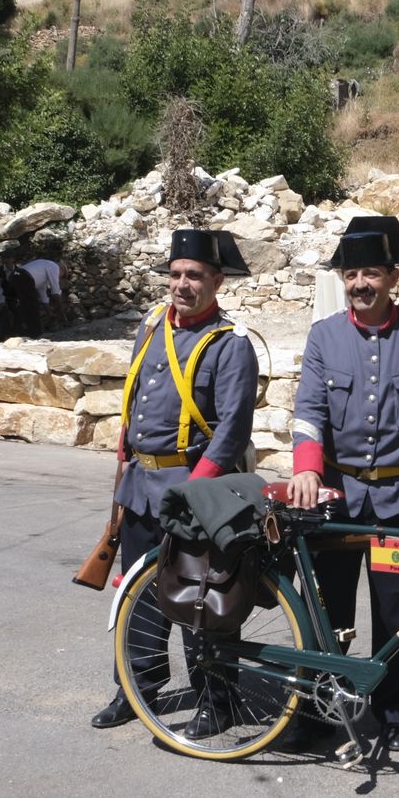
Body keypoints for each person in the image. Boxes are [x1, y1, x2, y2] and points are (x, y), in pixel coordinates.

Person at [287, 216, 399, 755]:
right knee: (326, 610)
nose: (360, 283)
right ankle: (321, 709)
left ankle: (392, 714)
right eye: (351, 273)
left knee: (397, 615)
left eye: (371, 273)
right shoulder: (324, 335)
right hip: (336, 498)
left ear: (392, 278)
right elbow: (310, 411)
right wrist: (308, 468)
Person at [91, 229, 259, 733]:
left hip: (196, 491)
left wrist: (196, 489)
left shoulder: (231, 345)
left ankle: (216, 699)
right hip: (142, 485)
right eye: (176, 275)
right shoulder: (152, 327)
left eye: (194, 276)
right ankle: (136, 688)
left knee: (201, 601)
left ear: (217, 282)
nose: (182, 285)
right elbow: (137, 398)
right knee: (140, 597)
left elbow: (231, 430)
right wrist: (125, 464)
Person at [1, 246, 66, 337]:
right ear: (61, 269)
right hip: (24, 277)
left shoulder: (41, 273)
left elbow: (44, 297)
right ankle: (35, 334)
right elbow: (56, 292)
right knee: (32, 306)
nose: (59, 278)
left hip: (14, 276)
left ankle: (17, 331)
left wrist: (50, 313)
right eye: (62, 276)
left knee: (19, 305)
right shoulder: (54, 266)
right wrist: (63, 316)